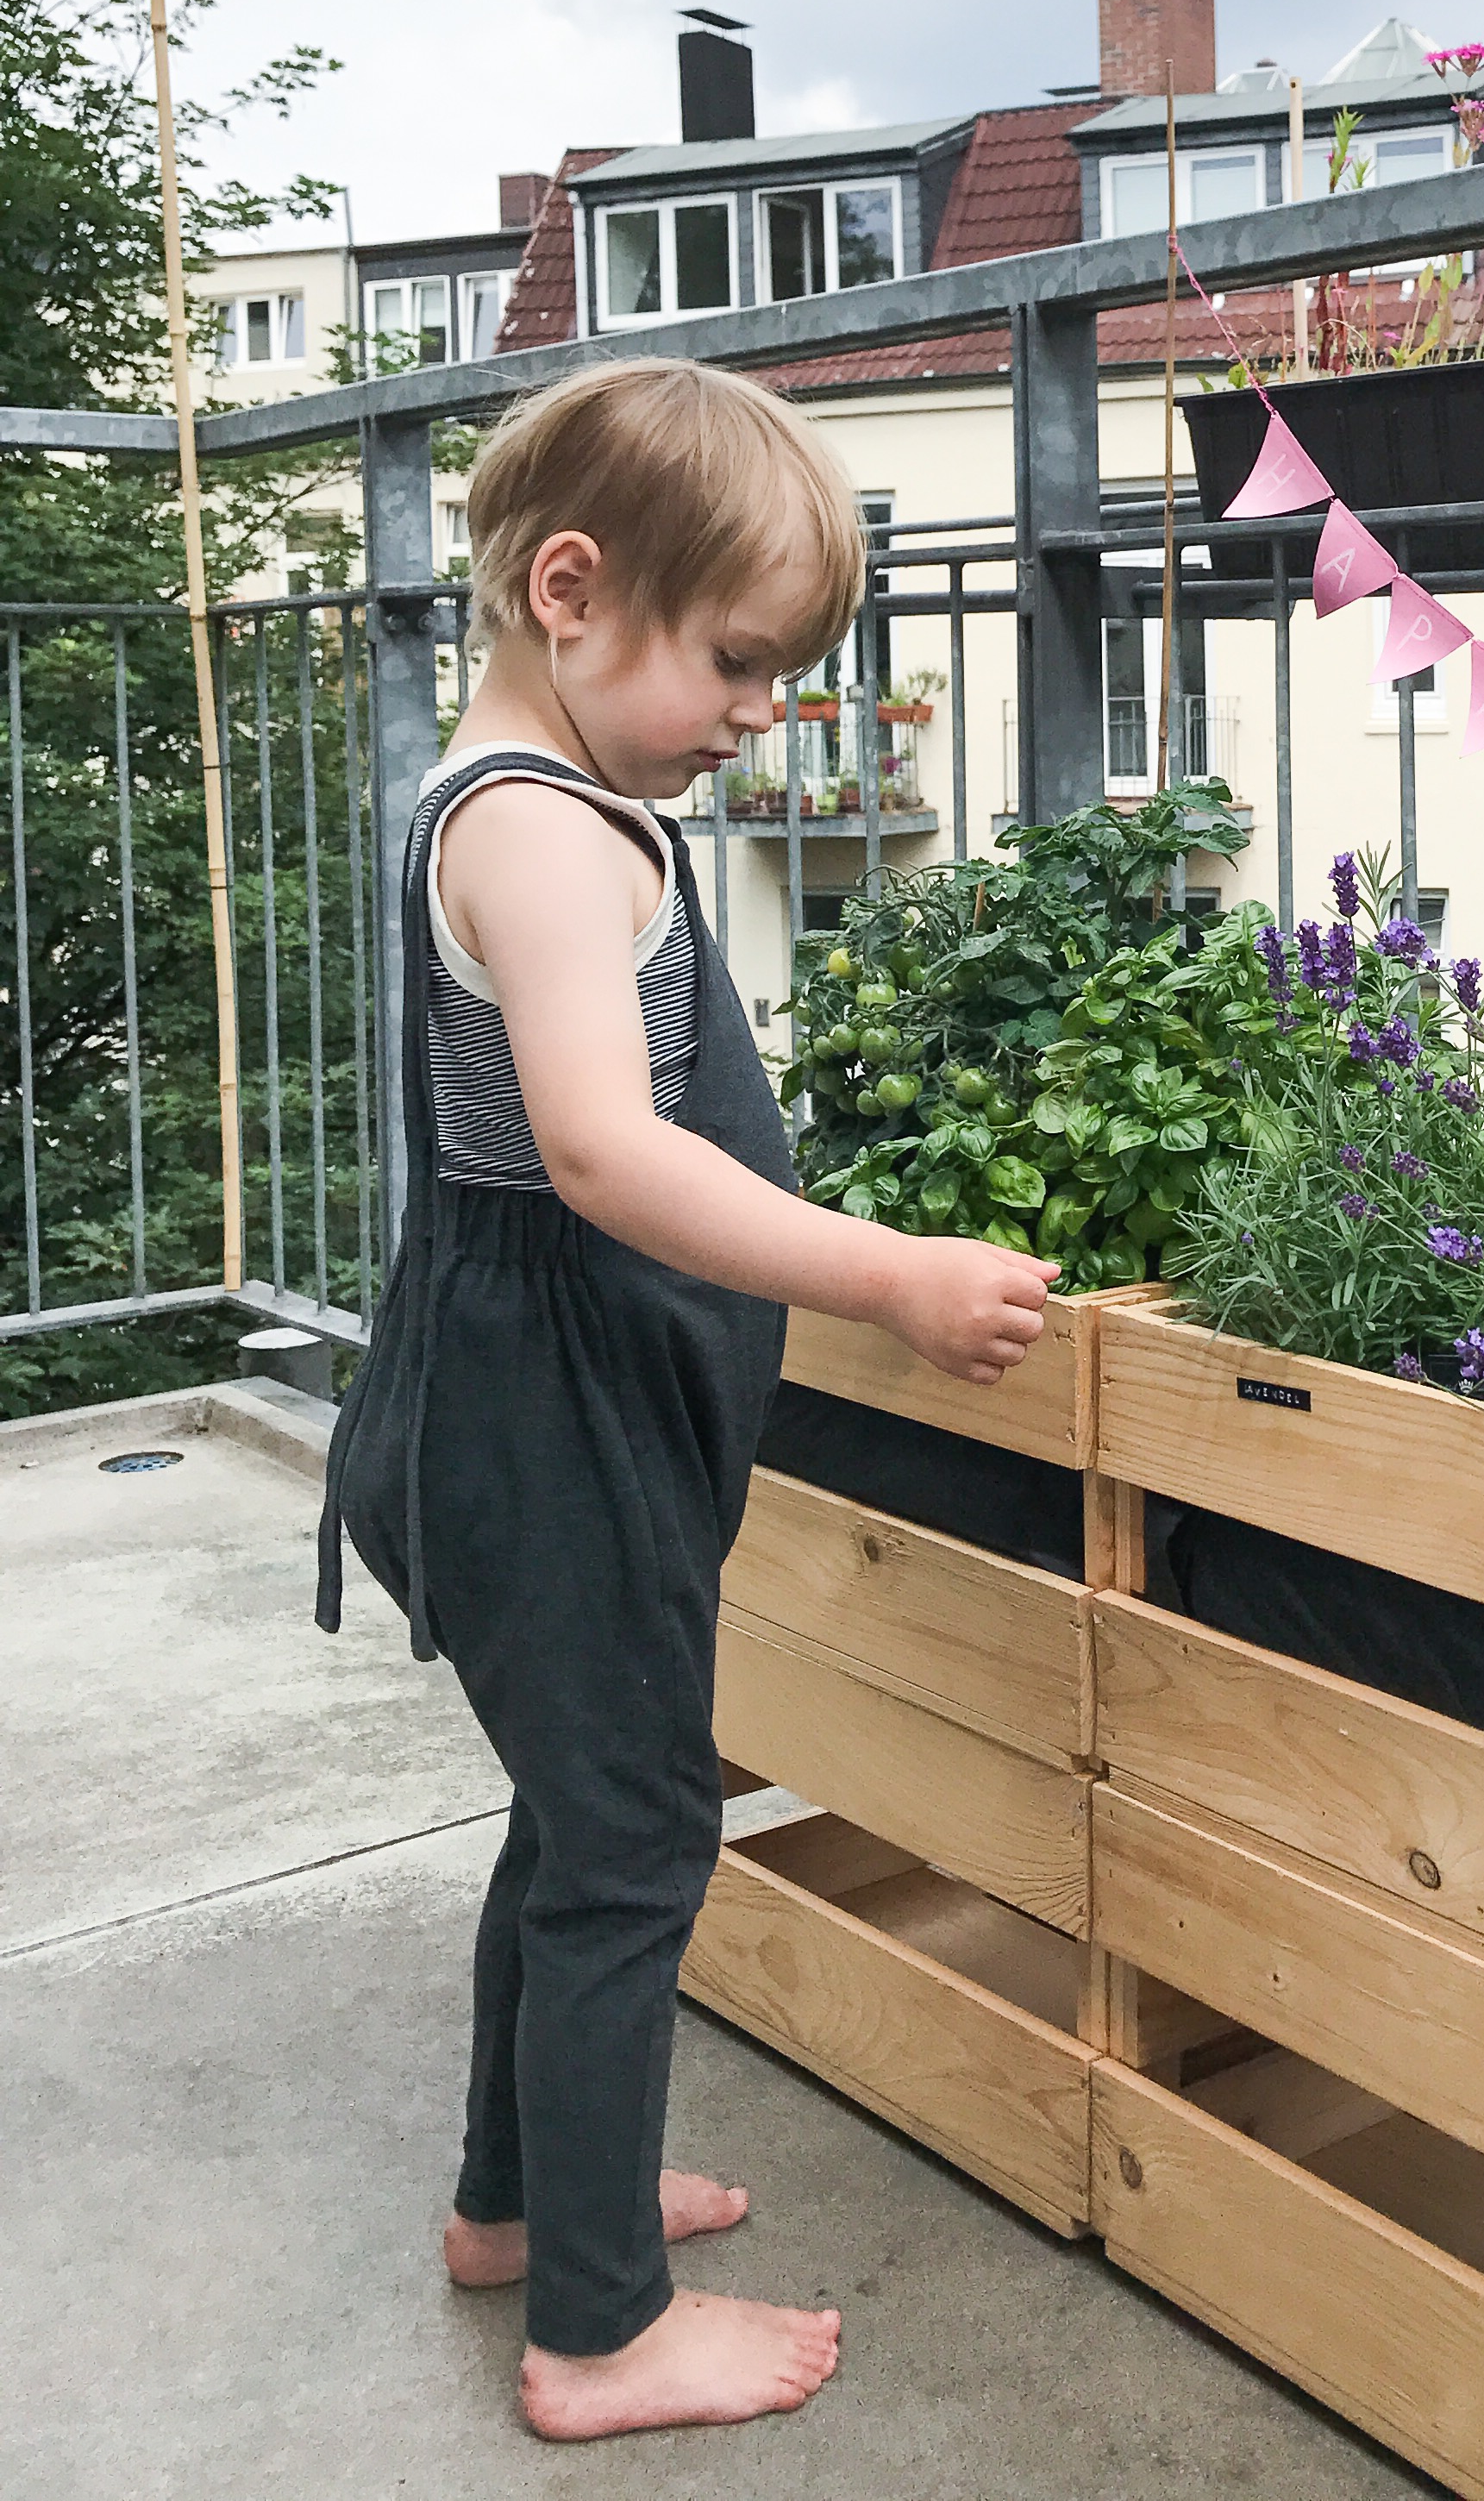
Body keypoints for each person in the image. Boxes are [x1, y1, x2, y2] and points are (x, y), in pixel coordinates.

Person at [316, 357, 1056, 2441]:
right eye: (738, 662)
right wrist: (889, 1278)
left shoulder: (550, 800)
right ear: (573, 588)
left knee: (582, 1818)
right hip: (540, 1425)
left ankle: (519, 2205)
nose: (763, 715)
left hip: (554, 1406)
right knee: (638, 1838)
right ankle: (597, 2333)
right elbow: (602, 1155)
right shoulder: (541, 840)